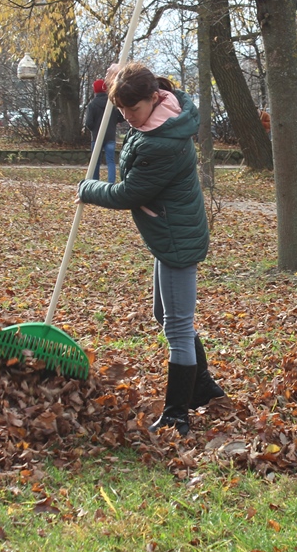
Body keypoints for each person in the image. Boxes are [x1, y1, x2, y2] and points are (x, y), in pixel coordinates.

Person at [76, 63, 225, 436]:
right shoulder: (162, 113)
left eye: (133, 110)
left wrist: (88, 188)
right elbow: (136, 85)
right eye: (122, 111)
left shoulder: (163, 142)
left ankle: (177, 414)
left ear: (154, 98)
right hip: (168, 229)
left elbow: (130, 192)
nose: (127, 117)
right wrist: (119, 77)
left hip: (176, 237)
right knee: (165, 314)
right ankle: (203, 385)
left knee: (177, 326)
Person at [84, 79, 125, 182]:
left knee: (95, 162)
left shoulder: (92, 105)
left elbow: (89, 122)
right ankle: (111, 183)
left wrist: (94, 129)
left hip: (96, 137)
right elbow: (122, 116)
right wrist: (114, 122)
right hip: (110, 136)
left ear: (95, 90)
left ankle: (95, 182)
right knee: (111, 161)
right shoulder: (112, 104)